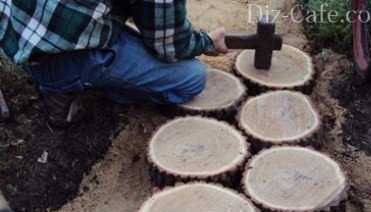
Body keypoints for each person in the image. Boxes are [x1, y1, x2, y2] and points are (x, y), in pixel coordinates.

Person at [0, 0, 228, 127]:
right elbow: (170, 47)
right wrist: (207, 42)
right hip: (58, 60)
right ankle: (69, 87)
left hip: (13, 33)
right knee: (191, 76)